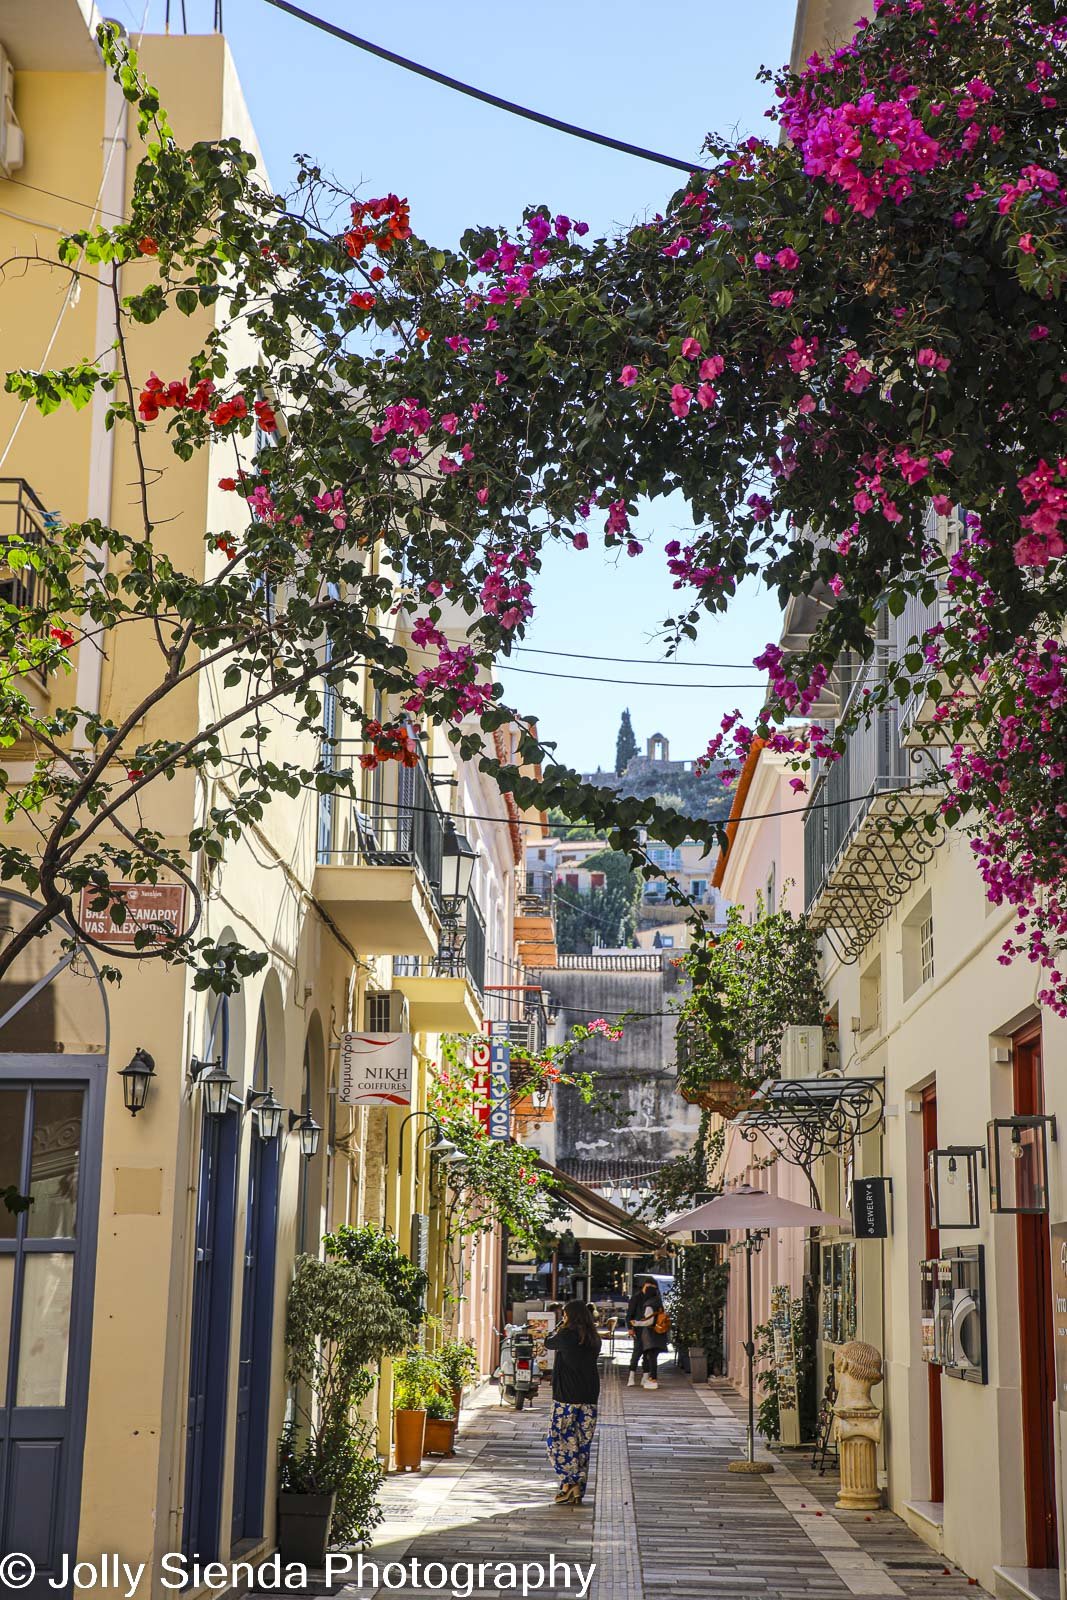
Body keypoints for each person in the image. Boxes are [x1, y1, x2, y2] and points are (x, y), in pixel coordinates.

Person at [543, 1300, 601, 1505]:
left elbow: (548, 1342)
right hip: (590, 1398)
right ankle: (572, 1488)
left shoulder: (565, 1336)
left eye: (565, 1315)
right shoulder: (594, 1338)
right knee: (581, 1444)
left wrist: (559, 1326)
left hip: (566, 1398)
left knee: (557, 1442)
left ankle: (570, 1481)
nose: (563, 1318)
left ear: (571, 1317)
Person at [626, 1279, 669, 1389]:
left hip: (648, 1331)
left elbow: (649, 1320)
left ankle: (647, 1378)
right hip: (646, 1332)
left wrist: (636, 1323)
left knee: (648, 1355)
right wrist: (630, 1328)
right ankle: (635, 1377)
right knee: (639, 1353)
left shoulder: (651, 1303)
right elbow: (630, 1313)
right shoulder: (639, 1298)